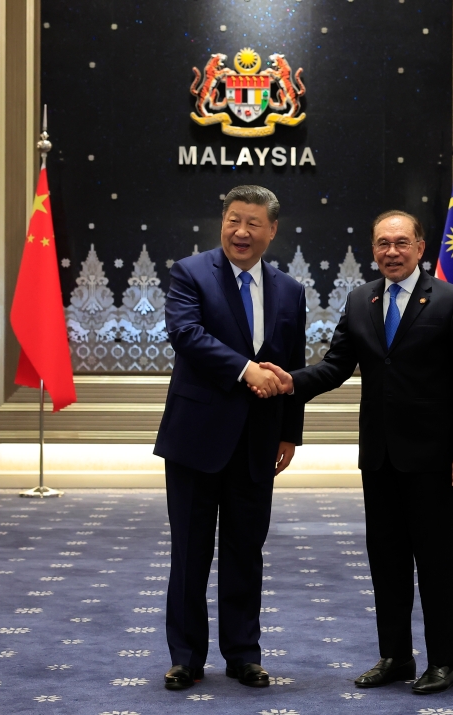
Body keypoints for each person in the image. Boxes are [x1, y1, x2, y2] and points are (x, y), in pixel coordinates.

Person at [252, 210, 453, 695]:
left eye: (401, 242)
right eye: (382, 243)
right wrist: (292, 382)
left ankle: (444, 661)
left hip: (432, 459)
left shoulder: (451, 300)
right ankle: (396, 656)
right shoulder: (361, 299)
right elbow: (336, 365)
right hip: (378, 457)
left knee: (434, 562)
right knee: (386, 560)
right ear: (373, 249)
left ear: (420, 248)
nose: (391, 252)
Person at [154, 185, 307, 691]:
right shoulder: (190, 272)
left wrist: (289, 433)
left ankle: (243, 654)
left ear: (272, 230)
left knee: (246, 551)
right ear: (222, 222)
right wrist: (246, 370)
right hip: (196, 438)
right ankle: (185, 657)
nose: (241, 232)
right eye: (233, 220)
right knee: (190, 551)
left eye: (253, 223)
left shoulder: (290, 290)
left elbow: (293, 365)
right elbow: (186, 334)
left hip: (258, 441)